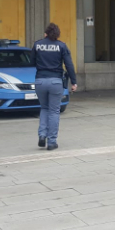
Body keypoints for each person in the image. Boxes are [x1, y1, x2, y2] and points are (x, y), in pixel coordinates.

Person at [32, 23, 77, 151]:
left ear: (46, 33)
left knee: (44, 108)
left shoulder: (37, 44)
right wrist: (74, 82)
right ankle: (52, 141)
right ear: (57, 34)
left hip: (40, 80)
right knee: (54, 111)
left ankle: (42, 135)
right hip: (55, 82)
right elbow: (69, 65)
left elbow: (31, 61)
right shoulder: (62, 46)